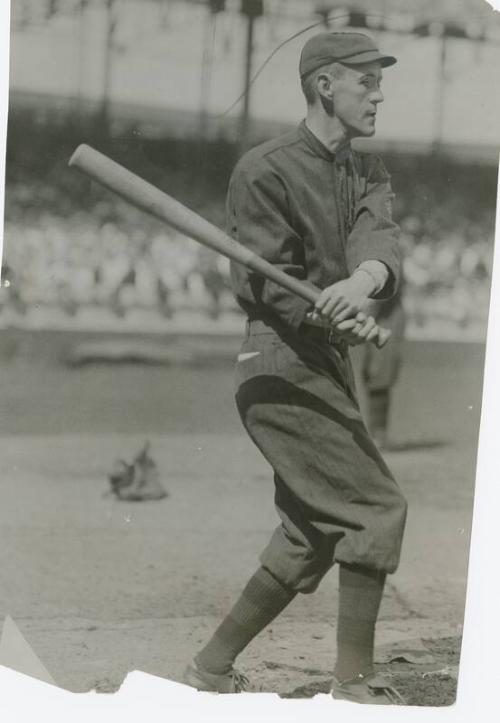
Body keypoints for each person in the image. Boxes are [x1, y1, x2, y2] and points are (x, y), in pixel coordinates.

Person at [184, 31, 408, 705]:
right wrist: (324, 310)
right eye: (366, 80)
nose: (379, 92)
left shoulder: (368, 171)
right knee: (375, 505)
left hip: (322, 364)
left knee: (312, 530)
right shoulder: (265, 168)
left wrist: (361, 282)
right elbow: (262, 284)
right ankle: (353, 680)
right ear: (325, 86)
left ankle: (211, 666)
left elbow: (381, 244)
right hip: (277, 362)